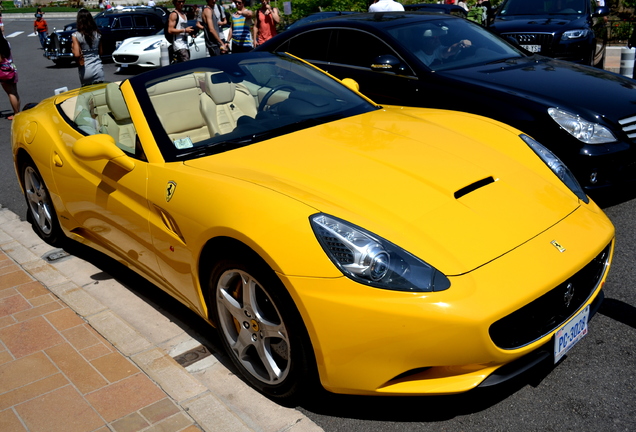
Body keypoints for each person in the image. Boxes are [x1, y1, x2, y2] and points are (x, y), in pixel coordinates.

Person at [72, 9, 103, 87]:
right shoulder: (98, 34)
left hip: (86, 69)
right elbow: (101, 52)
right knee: (99, 94)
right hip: (98, 68)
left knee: (88, 95)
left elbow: (77, 54)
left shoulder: (76, 35)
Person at [0, 31, 20, 120]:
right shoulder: (5, 42)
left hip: (4, 71)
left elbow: (0, 59)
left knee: (10, 93)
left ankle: (16, 114)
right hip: (11, 68)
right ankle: (18, 112)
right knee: (14, 92)